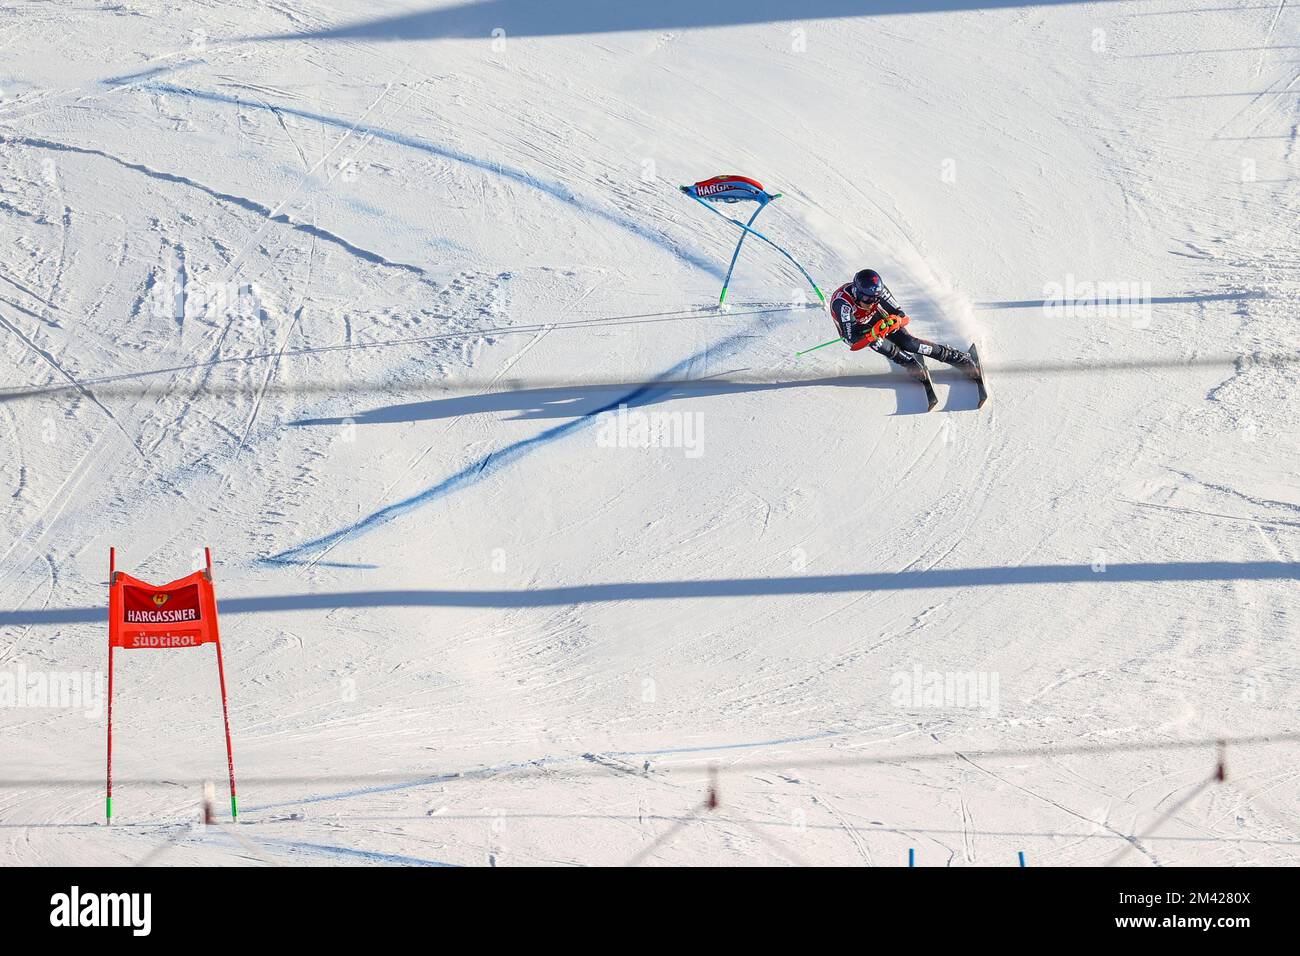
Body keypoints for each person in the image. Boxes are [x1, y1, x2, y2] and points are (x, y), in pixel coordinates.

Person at [830, 269, 977, 380]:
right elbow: (852, 340)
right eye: (866, 298)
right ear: (856, 291)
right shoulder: (843, 304)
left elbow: (902, 316)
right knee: (878, 343)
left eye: (876, 299)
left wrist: (896, 321)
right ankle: (909, 363)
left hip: (876, 318)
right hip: (855, 330)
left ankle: (956, 357)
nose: (871, 302)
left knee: (910, 343)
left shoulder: (878, 293)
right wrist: (872, 332)